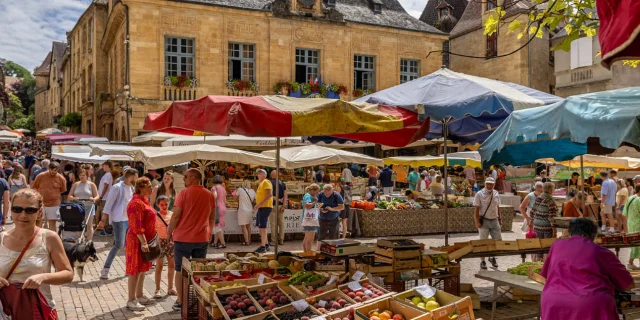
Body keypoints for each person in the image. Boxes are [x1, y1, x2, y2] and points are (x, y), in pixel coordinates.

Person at [540, 218, 633, 320]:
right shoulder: (601, 252)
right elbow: (628, 284)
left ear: (570, 233)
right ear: (593, 236)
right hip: (589, 304)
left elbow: (545, 275)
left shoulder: (556, 245)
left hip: (553, 302)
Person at [0, 189, 73, 313]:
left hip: (37, 310)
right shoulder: (1, 238)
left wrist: (43, 277)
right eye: (17, 209)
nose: (23, 215)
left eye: (30, 210)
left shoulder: (49, 238)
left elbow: (67, 273)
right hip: (4, 310)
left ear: (39, 212)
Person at [167, 168, 215, 312]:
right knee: (199, 270)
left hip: (183, 238)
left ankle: (181, 301)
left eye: (186, 177)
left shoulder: (183, 193)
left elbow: (175, 216)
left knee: (180, 270)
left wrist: (169, 232)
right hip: (201, 238)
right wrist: (210, 232)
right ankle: (198, 299)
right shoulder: (209, 194)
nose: (184, 180)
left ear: (194, 178)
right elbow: (212, 217)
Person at [124, 177, 157, 311]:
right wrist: (143, 242)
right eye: (148, 186)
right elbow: (136, 225)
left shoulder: (144, 201)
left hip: (144, 239)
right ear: (141, 187)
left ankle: (140, 295)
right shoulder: (136, 203)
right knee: (135, 270)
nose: (151, 188)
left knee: (142, 269)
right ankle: (131, 299)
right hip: (137, 240)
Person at [98, 168, 138, 280]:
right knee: (119, 245)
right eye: (136, 177)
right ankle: (105, 269)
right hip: (119, 219)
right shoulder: (117, 187)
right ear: (131, 177)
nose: (137, 179)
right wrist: (103, 219)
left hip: (129, 220)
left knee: (128, 245)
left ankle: (128, 269)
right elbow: (108, 204)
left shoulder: (132, 188)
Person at [474, 177, 501, 269]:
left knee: (497, 241)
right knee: (483, 241)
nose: (489, 185)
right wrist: (477, 221)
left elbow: (498, 206)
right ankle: (482, 261)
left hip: (494, 219)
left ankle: (492, 257)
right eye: (487, 184)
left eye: (491, 184)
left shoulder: (496, 193)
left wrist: (500, 219)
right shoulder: (479, 194)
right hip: (484, 219)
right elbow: (476, 209)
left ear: (494, 185)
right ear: (485, 184)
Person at [32, 161, 67, 232]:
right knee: (39, 222)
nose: (53, 172)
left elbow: (62, 190)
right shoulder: (41, 176)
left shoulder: (61, 178)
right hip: (41, 203)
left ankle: (52, 240)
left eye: (55, 170)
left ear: (58, 170)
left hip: (54, 203)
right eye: (52, 170)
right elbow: (34, 187)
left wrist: (53, 194)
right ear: (48, 168)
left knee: (52, 223)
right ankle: (38, 239)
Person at [153, 196, 176, 298]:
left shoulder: (172, 214)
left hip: (170, 241)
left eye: (166, 204)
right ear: (158, 205)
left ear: (169, 204)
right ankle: (157, 289)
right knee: (159, 266)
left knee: (172, 266)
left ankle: (170, 288)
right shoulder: (156, 216)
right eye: (162, 204)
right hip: (160, 241)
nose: (164, 206)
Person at [68, 169, 100, 240]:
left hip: (89, 206)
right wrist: (74, 198)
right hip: (78, 207)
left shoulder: (91, 184)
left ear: (87, 175)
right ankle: (80, 238)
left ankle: (89, 240)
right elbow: (69, 196)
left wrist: (93, 198)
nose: (81, 177)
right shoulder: (76, 184)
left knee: (89, 225)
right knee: (79, 224)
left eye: (83, 175)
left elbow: (97, 196)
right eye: (80, 175)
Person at [530, 182, 558, 261]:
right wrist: (554, 230)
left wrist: (531, 221)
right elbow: (551, 217)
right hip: (547, 227)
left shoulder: (538, 198)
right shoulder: (551, 200)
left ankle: (538, 263)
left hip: (537, 226)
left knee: (539, 246)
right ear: (551, 189)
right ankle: (544, 266)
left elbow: (532, 211)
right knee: (547, 247)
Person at [253, 169, 273, 253]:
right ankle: (266, 244)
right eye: (258, 173)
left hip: (264, 207)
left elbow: (269, 194)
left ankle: (262, 247)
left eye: (260, 173)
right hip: (263, 207)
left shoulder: (266, 182)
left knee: (262, 227)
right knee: (261, 227)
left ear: (265, 175)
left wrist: (259, 204)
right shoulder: (262, 183)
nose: (258, 175)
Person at [234, 180, 256, 246]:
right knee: (248, 226)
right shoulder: (253, 191)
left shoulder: (240, 189)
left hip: (242, 209)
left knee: (243, 226)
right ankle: (249, 240)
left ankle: (246, 241)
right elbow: (255, 201)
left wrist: (235, 191)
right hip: (250, 209)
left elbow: (235, 198)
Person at [269, 170, 287, 246]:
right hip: (280, 206)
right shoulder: (282, 183)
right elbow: (285, 195)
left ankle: (273, 241)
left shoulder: (269, 183)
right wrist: (284, 205)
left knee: (273, 224)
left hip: (272, 205)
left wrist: (278, 199)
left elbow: (269, 195)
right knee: (281, 224)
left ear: (271, 175)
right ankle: (281, 240)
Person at [624, 185, 640, 269]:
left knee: (634, 243)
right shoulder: (639, 200)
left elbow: (625, 212)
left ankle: (630, 262)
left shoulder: (630, 198)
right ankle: (630, 262)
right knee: (638, 243)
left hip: (630, 223)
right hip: (638, 224)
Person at [301, 184, 320, 252]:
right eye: (317, 192)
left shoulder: (309, 196)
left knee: (306, 238)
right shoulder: (308, 196)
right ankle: (308, 253)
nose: (317, 193)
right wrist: (315, 201)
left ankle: (306, 252)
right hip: (310, 220)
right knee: (310, 239)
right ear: (313, 190)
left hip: (309, 220)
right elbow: (307, 205)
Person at [97, 161, 114, 235]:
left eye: (104, 166)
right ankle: (106, 229)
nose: (103, 167)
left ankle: (107, 229)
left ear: (107, 166)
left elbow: (106, 186)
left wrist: (101, 196)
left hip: (105, 197)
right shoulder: (108, 175)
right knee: (105, 212)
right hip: (105, 197)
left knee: (105, 213)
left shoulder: (107, 175)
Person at [210, 175, 227, 249]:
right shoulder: (223, 188)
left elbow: (214, 197)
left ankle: (223, 243)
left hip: (217, 207)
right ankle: (215, 242)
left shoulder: (214, 188)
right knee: (217, 225)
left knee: (217, 226)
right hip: (222, 206)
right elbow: (225, 200)